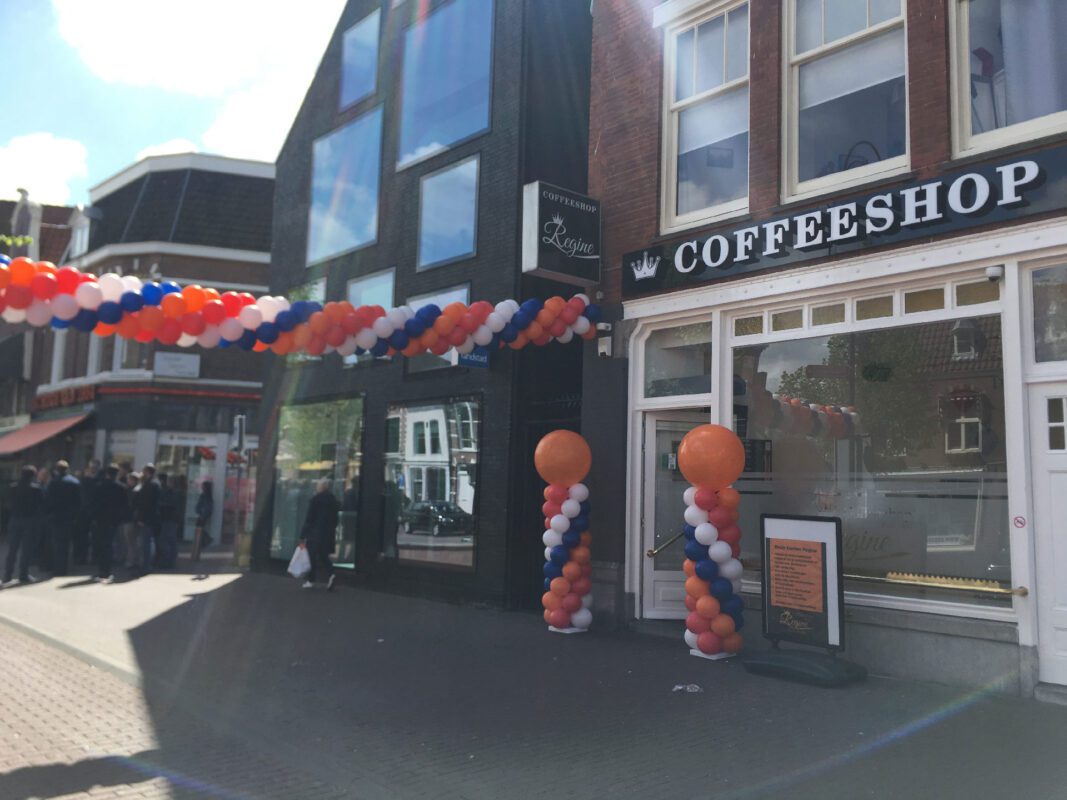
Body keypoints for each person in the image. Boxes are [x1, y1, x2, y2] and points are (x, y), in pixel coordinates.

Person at [2, 466, 45, 587]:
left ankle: (7, 575)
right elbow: (41, 505)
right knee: (26, 549)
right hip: (30, 520)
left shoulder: (12, 487)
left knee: (12, 549)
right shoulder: (36, 489)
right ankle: (23, 574)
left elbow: (7, 503)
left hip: (15, 519)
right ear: (33, 476)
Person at [90, 465, 128, 583]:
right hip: (113, 520)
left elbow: (94, 503)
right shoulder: (121, 487)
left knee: (101, 544)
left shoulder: (99, 486)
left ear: (107, 474)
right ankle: (107, 570)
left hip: (101, 519)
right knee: (110, 545)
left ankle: (101, 569)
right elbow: (124, 505)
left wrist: (94, 517)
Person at [300, 478, 339, 591]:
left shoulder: (315, 500)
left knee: (311, 555)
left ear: (321, 487)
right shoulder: (333, 500)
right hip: (327, 532)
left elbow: (309, 519)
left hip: (314, 532)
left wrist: (303, 534)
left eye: (317, 486)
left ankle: (311, 580)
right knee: (323, 554)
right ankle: (331, 573)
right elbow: (335, 519)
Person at [44, 459, 80, 577]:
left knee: (57, 543)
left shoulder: (53, 482)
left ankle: (57, 568)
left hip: (56, 516)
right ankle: (66, 566)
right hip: (70, 516)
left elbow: (48, 500)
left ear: (56, 469)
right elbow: (79, 500)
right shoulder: (74, 482)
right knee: (67, 542)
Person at [132, 464, 161, 573]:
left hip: (147, 519)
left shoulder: (151, 485)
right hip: (150, 518)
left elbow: (146, 503)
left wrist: (142, 519)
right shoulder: (153, 484)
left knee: (145, 543)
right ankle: (146, 564)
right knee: (146, 542)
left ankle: (146, 565)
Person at [74, 459, 101, 565]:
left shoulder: (100, 480)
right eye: (91, 468)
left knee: (96, 536)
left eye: (94, 468)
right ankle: (81, 556)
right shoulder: (83, 480)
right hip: (83, 512)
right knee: (82, 535)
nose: (92, 470)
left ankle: (95, 556)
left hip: (95, 512)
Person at [157, 473, 179, 569]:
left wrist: (161, 505)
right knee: (170, 541)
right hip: (170, 519)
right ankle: (170, 561)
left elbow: (170, 505)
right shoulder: (172, 492)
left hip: (169, 519)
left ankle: (168, 561)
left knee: (166, 541)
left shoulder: (172, 493)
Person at [191, 480, 214, 561]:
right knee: (199, 530)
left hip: (202, 515)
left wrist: (202, 515)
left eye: (203, 486)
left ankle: (205, 540)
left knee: (199, 529)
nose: (202, 487)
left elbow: (206, 507)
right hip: (202, 515)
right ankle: (203, 542)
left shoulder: (205, 495)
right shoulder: (207, 495)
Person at [120, 471, 139, 569]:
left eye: (129, 479)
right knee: (131, 541)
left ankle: (131, 561)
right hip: (130, 518)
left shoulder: (132, 491)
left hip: (130, 519)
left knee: (130, 541)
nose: (128, 481)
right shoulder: (135, 490)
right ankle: (132, 560)